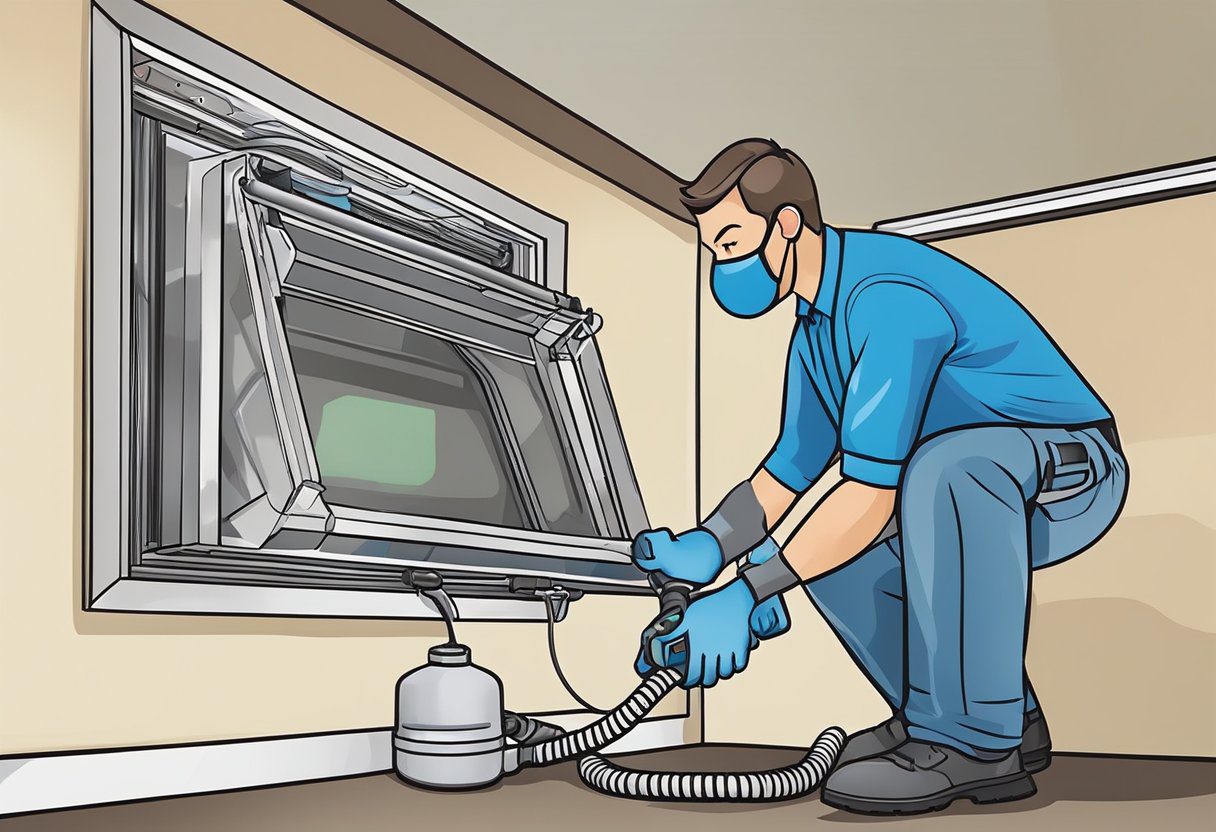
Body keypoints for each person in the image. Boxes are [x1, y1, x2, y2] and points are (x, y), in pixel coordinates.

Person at [633, 138, 1128, 815]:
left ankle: (974, 742)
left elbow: (868, 495)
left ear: (784, 226)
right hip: (961, 486)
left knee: (944, 470)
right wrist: (709, 548)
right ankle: (980, 715)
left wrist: (749, 593)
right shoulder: (815, 329)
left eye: (728, 242)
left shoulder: (884, 299)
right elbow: (789, 469)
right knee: (837, 545)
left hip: (1067, 471)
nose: (721, 267)